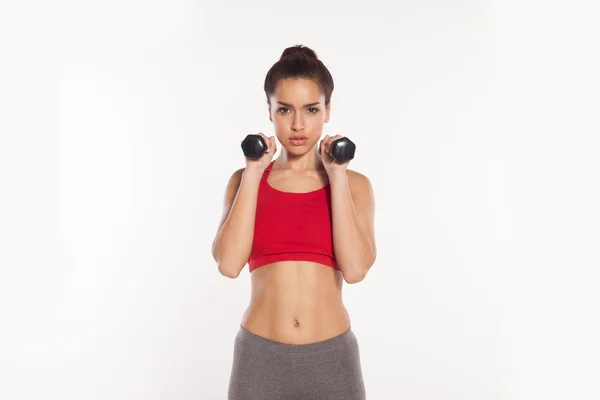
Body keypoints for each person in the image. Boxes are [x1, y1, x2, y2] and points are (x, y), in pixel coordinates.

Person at [211, 44, 376, 400]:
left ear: (327, 110)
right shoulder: (244, 180)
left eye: (311, 109)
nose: (298, 125)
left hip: (331, 358)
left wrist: (337, 175)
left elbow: (356, 270)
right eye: (285, 109)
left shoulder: (354, 185)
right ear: (269, 111)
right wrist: (254, 171)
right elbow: (228, 264)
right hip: (260, 357)